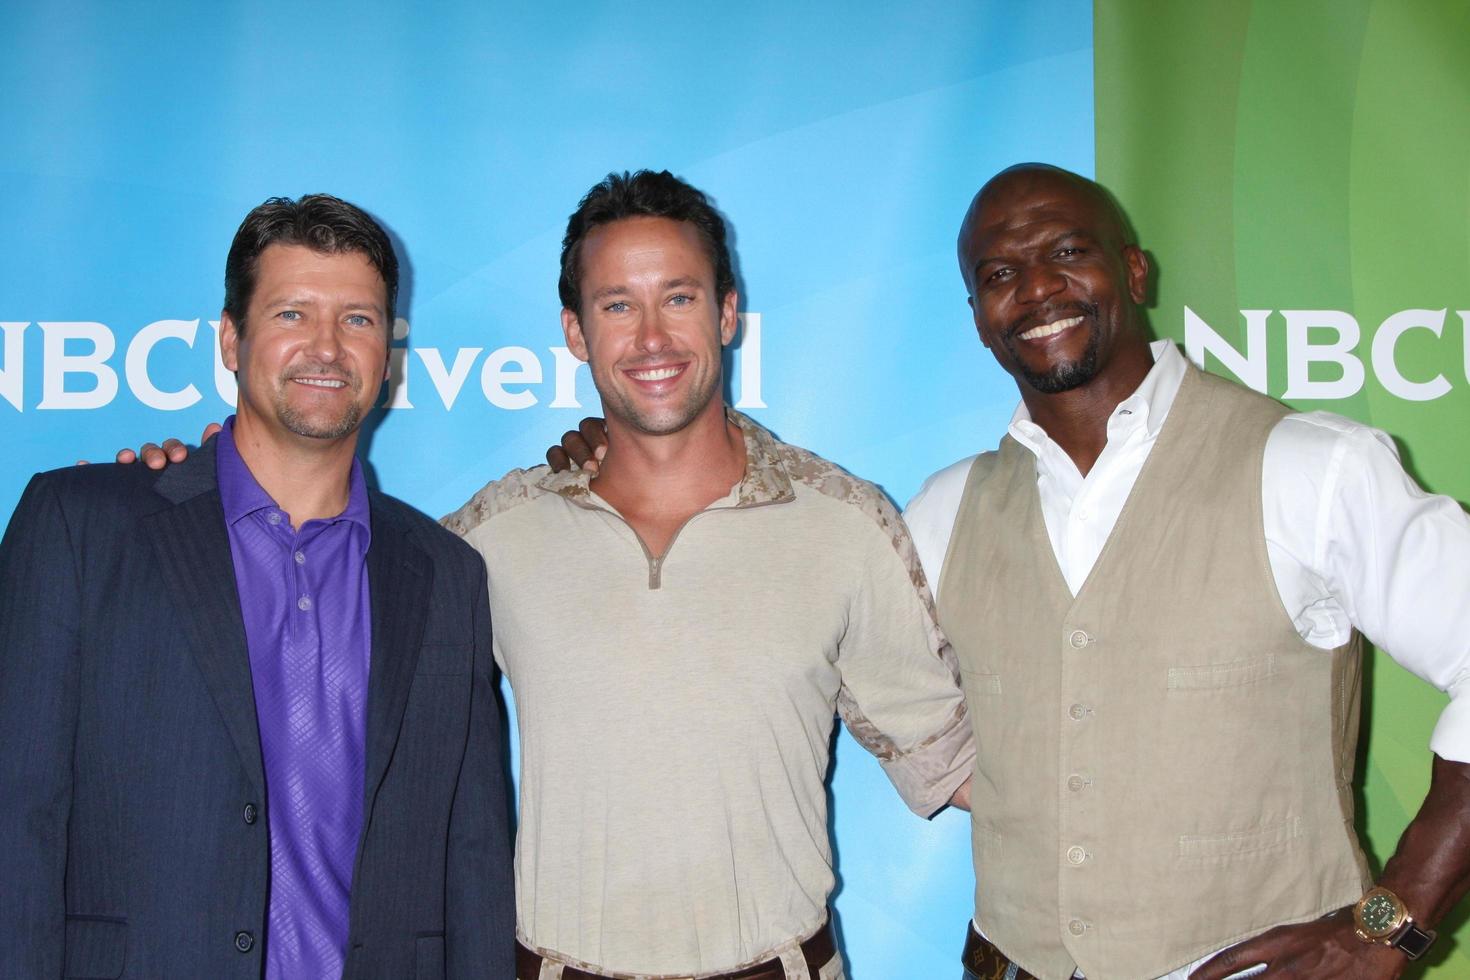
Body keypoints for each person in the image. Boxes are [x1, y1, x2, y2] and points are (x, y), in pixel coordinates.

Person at [901, 164, 1470, 980]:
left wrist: (1387, 926)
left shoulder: (1310, 469)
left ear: (1133, 270)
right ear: (978, 320)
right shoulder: (946, 510)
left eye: (1067, 250)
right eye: (999, 274)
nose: (1035, 288)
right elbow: (865, 679)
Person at [0, 194, 514, 978]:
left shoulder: (447, 573)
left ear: (389, 353)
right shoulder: (81, 527)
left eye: (359, 319)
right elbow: (15, 822)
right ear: (231, 340)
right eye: (291, 314)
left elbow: (473, 859)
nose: (327, 347)